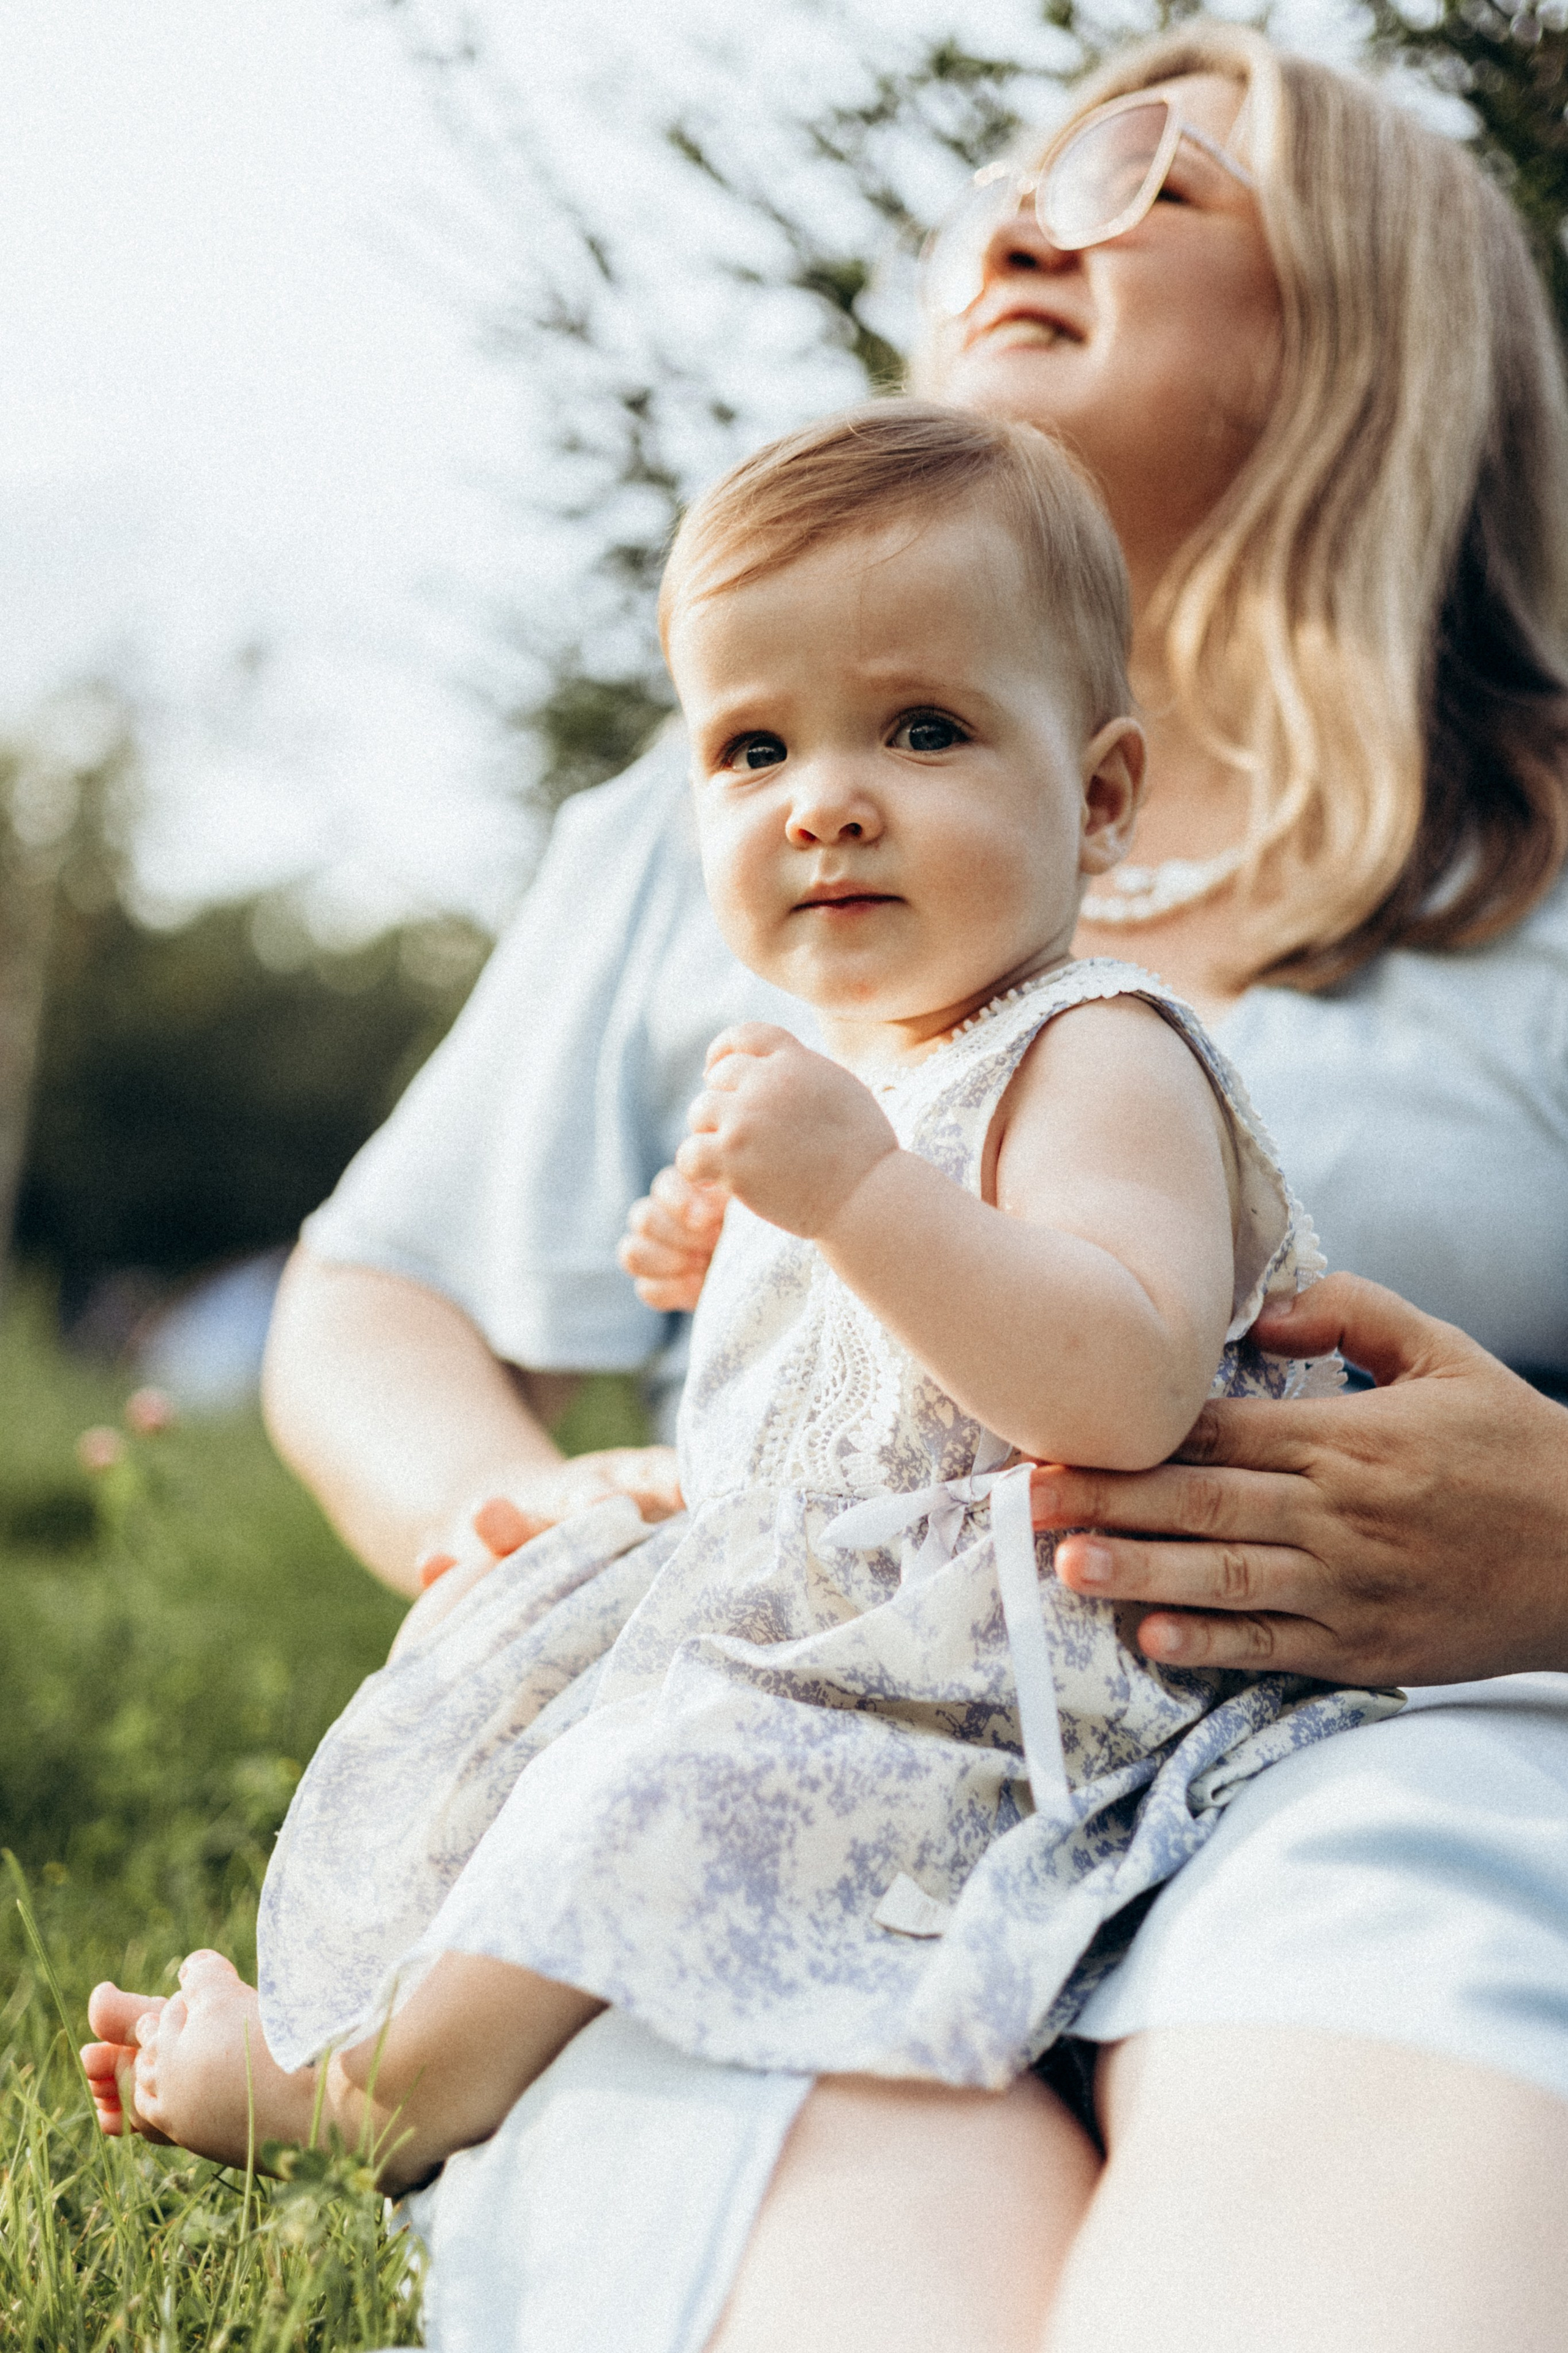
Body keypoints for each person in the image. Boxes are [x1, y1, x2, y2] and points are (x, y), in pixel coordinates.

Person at [127, 23, 1568, 2352]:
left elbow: (1076, 1329)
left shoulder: (1521, 855)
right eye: (1020, 163)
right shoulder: (708, 843)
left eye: (1149, 180)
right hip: (823, 1721)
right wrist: (525, 1519)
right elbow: (382, 1283)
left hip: (1357, 1729)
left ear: (1367, 325)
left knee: (1359, 2165)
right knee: (755, 2084)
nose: (1024, 206)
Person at [82, 400, 1400, 2205]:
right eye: (754, 745)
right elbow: (858, 1359)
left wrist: (857, 1200)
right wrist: (752, 1256)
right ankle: (422, 2004)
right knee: (551, 1722)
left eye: (923, 728)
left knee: (655, 1793)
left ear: (1097, 796)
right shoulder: (858, 1073)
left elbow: (1119, 1381)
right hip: (850, 1648)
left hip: (1039, 1684)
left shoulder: (1102, 1054)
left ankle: (366, 2098)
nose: (827, 797)